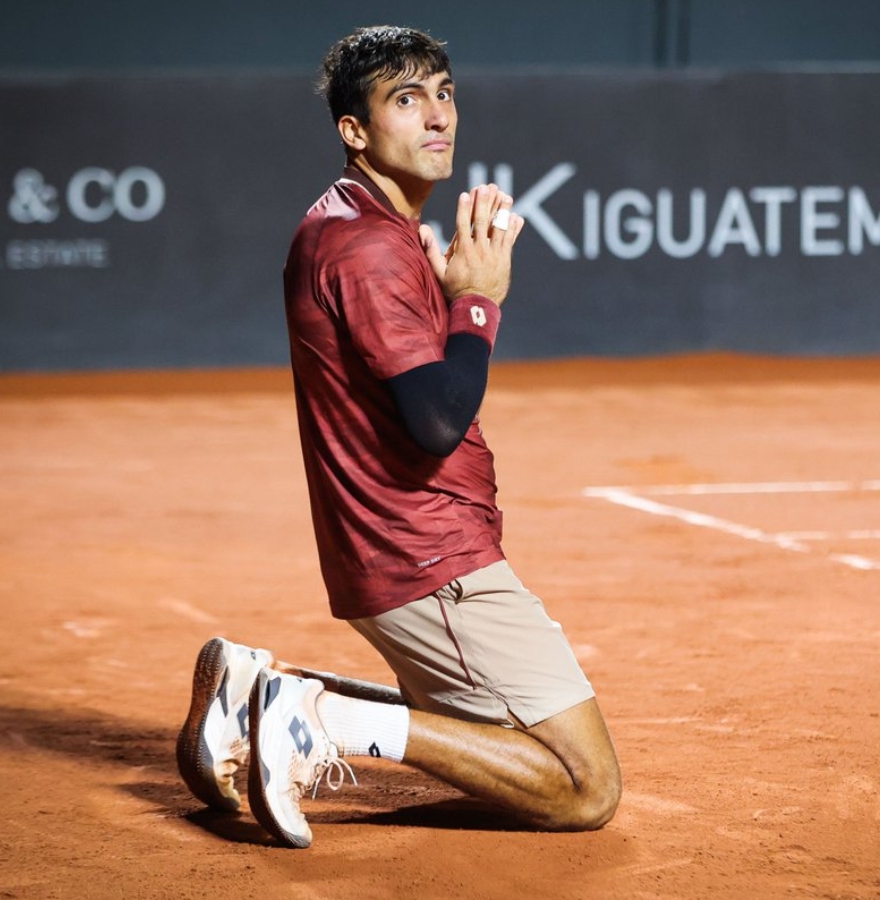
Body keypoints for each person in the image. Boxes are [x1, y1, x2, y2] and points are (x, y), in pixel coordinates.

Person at [176, 24, 621, 849]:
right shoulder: (368, 247)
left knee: (484, 741)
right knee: (579, 785)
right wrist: (479, 301)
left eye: (444, 94)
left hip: (395, 551)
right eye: (406, 100)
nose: (437, 118)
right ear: (356, 129)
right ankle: (316, 718)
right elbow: (435, 422)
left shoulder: (358, 222)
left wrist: (447, 288)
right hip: (429, 559)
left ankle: (265, 691)